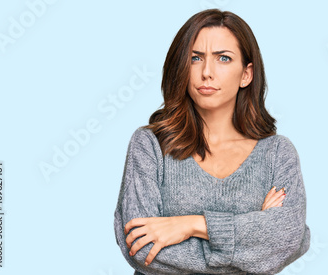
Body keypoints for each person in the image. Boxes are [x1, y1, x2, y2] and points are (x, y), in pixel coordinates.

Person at [114, 8, 310, 275]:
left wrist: (191, 225)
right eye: (195, 58)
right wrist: (253, 239)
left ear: (246, 74)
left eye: (224, 58)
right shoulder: (150, 146)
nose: (207, 72)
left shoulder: (277, 153)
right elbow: (141, 248)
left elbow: (287, 237)